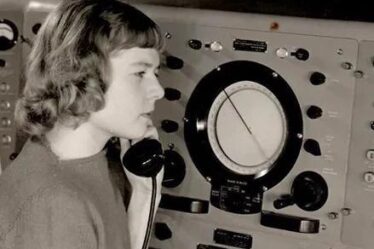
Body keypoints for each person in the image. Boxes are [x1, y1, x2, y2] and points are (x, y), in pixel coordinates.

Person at [0, 0, 165, 248]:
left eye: (156, 74)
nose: (158, 91)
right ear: (82, 74)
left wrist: (144, 195)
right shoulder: (55, 204)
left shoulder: (97, 166)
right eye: (140, 73)